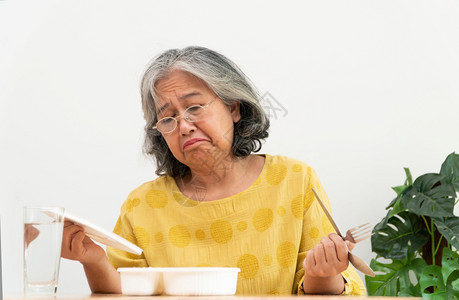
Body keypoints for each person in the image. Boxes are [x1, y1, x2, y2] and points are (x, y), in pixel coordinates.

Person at [61, 46, 366, 295]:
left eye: (194, 107)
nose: (184, 126)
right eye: (168, 119)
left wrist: (322, 274)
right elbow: (123, 294)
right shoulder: (141, 206)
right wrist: (94, 260)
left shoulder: (295, 181)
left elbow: (327, 288)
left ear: (234, 107)